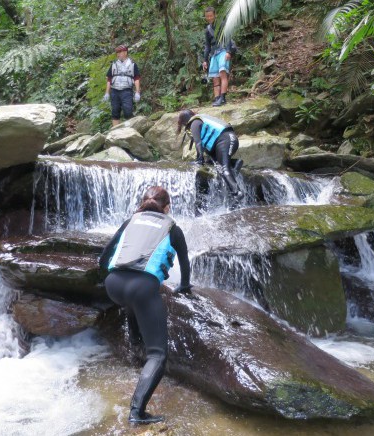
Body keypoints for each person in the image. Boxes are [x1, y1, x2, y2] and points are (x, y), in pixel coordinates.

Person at [99, 186, 192, 425]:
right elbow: (184, 265)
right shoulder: (172, 228)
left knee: (134, 303)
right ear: (167, 207)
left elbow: (104, 256)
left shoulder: (131, 220)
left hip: (113, 285)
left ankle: (134, 343)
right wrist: (184, 287)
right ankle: (137, 412)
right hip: (141, 289)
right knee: (159, 355)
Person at [177, 109, 244, 199]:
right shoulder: (200, 119)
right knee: (213, 163)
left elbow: (198, 143)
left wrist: (199, 160)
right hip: (229, 139)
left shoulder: (194, 123)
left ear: (184, 122)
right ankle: (234, 163)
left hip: (225, 141)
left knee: (223, 168)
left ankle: (237, 192)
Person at [202, 6, 236, 107]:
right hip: (214, 54)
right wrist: (205, 60)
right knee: (215, 77)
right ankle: (217, 98)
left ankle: (223, 98)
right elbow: (207, 46)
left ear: (215, 15)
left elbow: (228, 37)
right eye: (207, 16)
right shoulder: (207, 29)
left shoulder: (221, 24)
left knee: (222, 74)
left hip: (223, 50)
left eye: (210, 16)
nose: (209, 18)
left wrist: (229, 52)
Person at [103, 45, 141, 126]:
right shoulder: (114, 64)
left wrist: (137, 92)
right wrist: (107, 93)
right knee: (115, 111)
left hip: (126, 91)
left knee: (128, 111)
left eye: (120, 52)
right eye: (117, 52)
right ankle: (115, 132)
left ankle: (129, 131)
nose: (118, 54)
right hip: (114, 91)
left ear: (125, 52)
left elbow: (136, 79)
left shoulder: (132, 64)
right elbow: (109, 79)